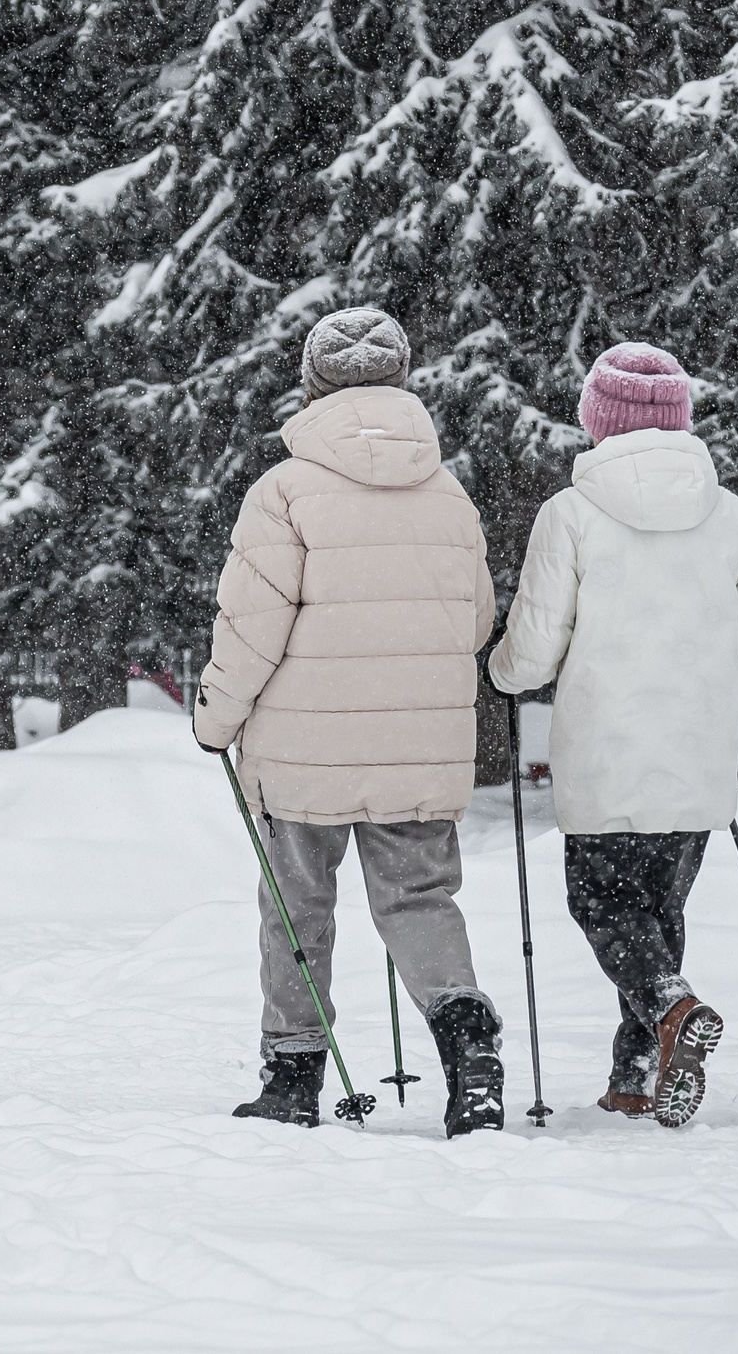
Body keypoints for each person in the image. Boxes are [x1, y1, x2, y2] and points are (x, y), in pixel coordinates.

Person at [192, 308, 506, 1138]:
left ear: (314, 383)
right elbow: (474, 622)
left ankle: (294, 1077)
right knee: (420, 899)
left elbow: (250, 626)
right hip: (418, 748)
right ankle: (468, 1040)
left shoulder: (285, 490)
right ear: (402, 376)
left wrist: (214, 718)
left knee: (298, 907)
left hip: (305, 751)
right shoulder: (449, 494)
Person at [489, 342, 738, 1128]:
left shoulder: (573, 513)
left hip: (605, 754)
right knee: (657, 908)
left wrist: (502, 673)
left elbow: (532, 650)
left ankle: (669, 1005)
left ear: (598, 421)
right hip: (698, 760)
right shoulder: (731, 517)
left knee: (601, 902)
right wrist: (718, 706)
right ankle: (638, 1073)